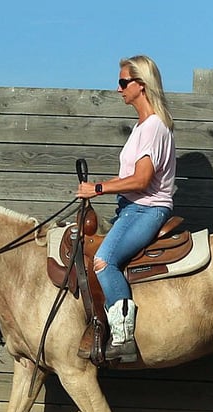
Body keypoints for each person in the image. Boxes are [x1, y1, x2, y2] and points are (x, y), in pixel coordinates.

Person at [76, 55, 176, 363]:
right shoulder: (141, 127)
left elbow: (142, 179)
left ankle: (123, 338)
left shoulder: (154, 128)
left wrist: (99, 188)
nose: (118, 89)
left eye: (123, 82)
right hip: (132, 208)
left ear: (141, 86)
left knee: (104, 261)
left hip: (147, 210)